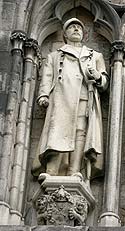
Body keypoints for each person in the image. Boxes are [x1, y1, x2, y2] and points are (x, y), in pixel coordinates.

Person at [32, 18, 108, 181]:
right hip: (61, 97)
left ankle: (74, 170)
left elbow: (104, 81)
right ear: (65, 34)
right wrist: (44, 94)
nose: (75, 29)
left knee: (80, 131)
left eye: (79, 27)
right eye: (71, 27)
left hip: (83, 96)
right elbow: (47, 76)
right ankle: (52, 170)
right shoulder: (54, 55)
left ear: (84, 34)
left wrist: (97, 77)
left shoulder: (94, 55)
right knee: (56, 130)